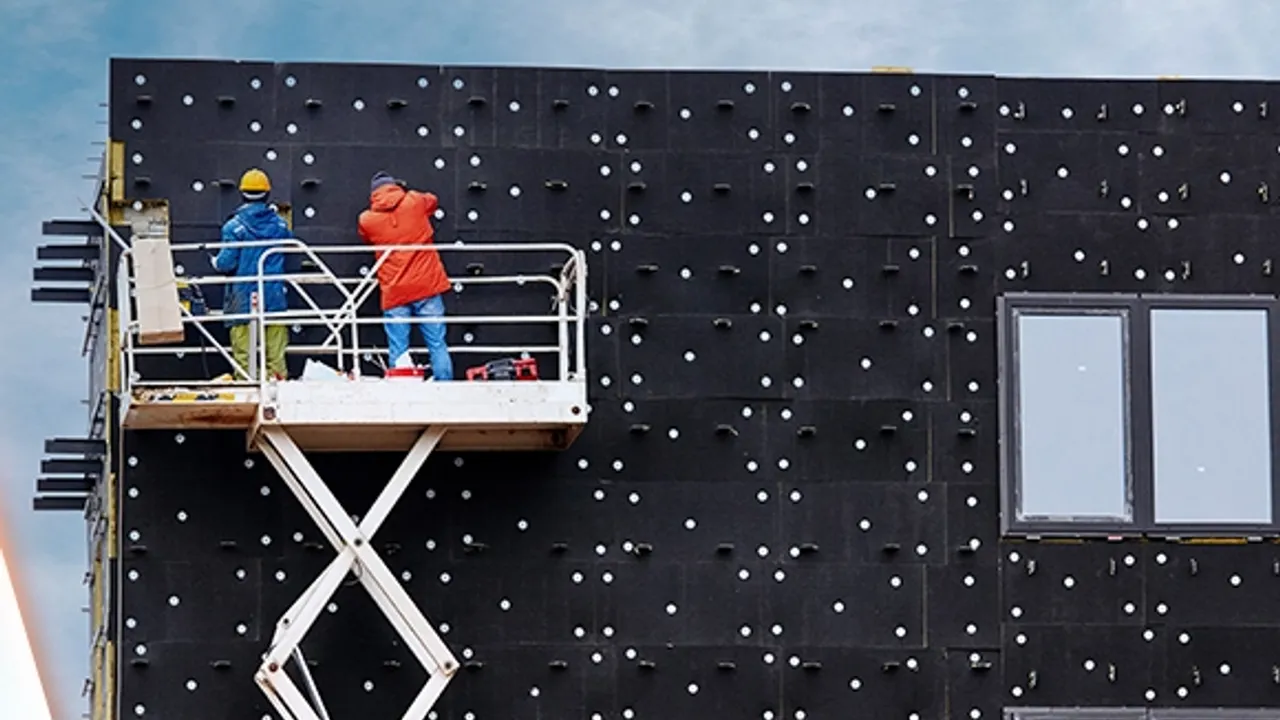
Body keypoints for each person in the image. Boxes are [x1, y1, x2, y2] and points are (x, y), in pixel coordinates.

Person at [357, 171, 455, 380]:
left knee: (398, 348)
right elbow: (433, 201)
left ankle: (401, 389)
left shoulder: (367, 219)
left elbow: (366, 238)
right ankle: (445, 386)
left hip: (395, 291)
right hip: (426, 286)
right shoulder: (414, 201)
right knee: (437, 344)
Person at [213, 168, 292, 380]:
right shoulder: (279, 225)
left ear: (242, 193)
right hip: (274, 295)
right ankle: (277, 383)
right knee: (276, 351)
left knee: (243, 354)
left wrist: (215, 261)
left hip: (242, 297)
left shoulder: (233, 227)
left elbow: (226, 264)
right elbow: (289, 243)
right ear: (267, 194)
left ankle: (246, 384)